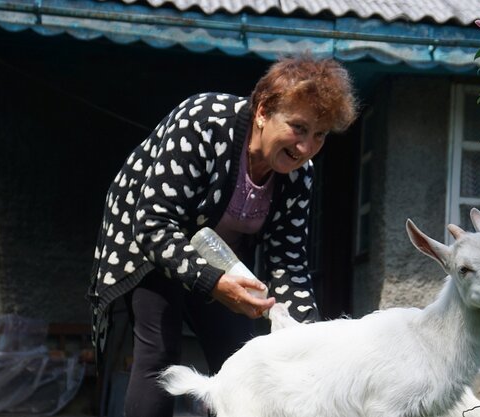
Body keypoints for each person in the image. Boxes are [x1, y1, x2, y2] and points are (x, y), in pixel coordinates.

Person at [86, 55, 357, 417]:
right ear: (263, 111)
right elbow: (153, 223)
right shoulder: (202, 122)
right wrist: (214, 283)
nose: (307, 148)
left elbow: (288, 262)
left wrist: (307, 339)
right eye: (299, 128)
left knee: (241, 355)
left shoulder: (298, 175)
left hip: (219, 259)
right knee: (160, 357)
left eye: (320, 135)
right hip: (151, 246)